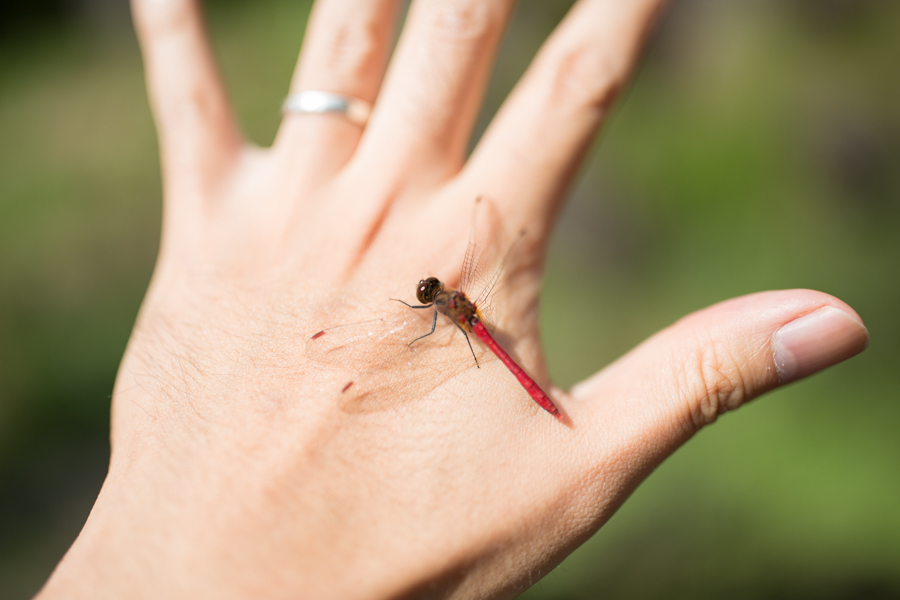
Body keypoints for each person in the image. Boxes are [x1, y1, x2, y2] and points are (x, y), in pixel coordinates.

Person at [36, 0, 869, 598]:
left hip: (482, 341)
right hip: (480, 335)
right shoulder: (456, 300)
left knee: (476, 349)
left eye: (431, 290)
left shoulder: (445, 312)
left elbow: (427, 325)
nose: (428, 293)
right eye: (432, 291)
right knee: (476, 345)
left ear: (442, 294)